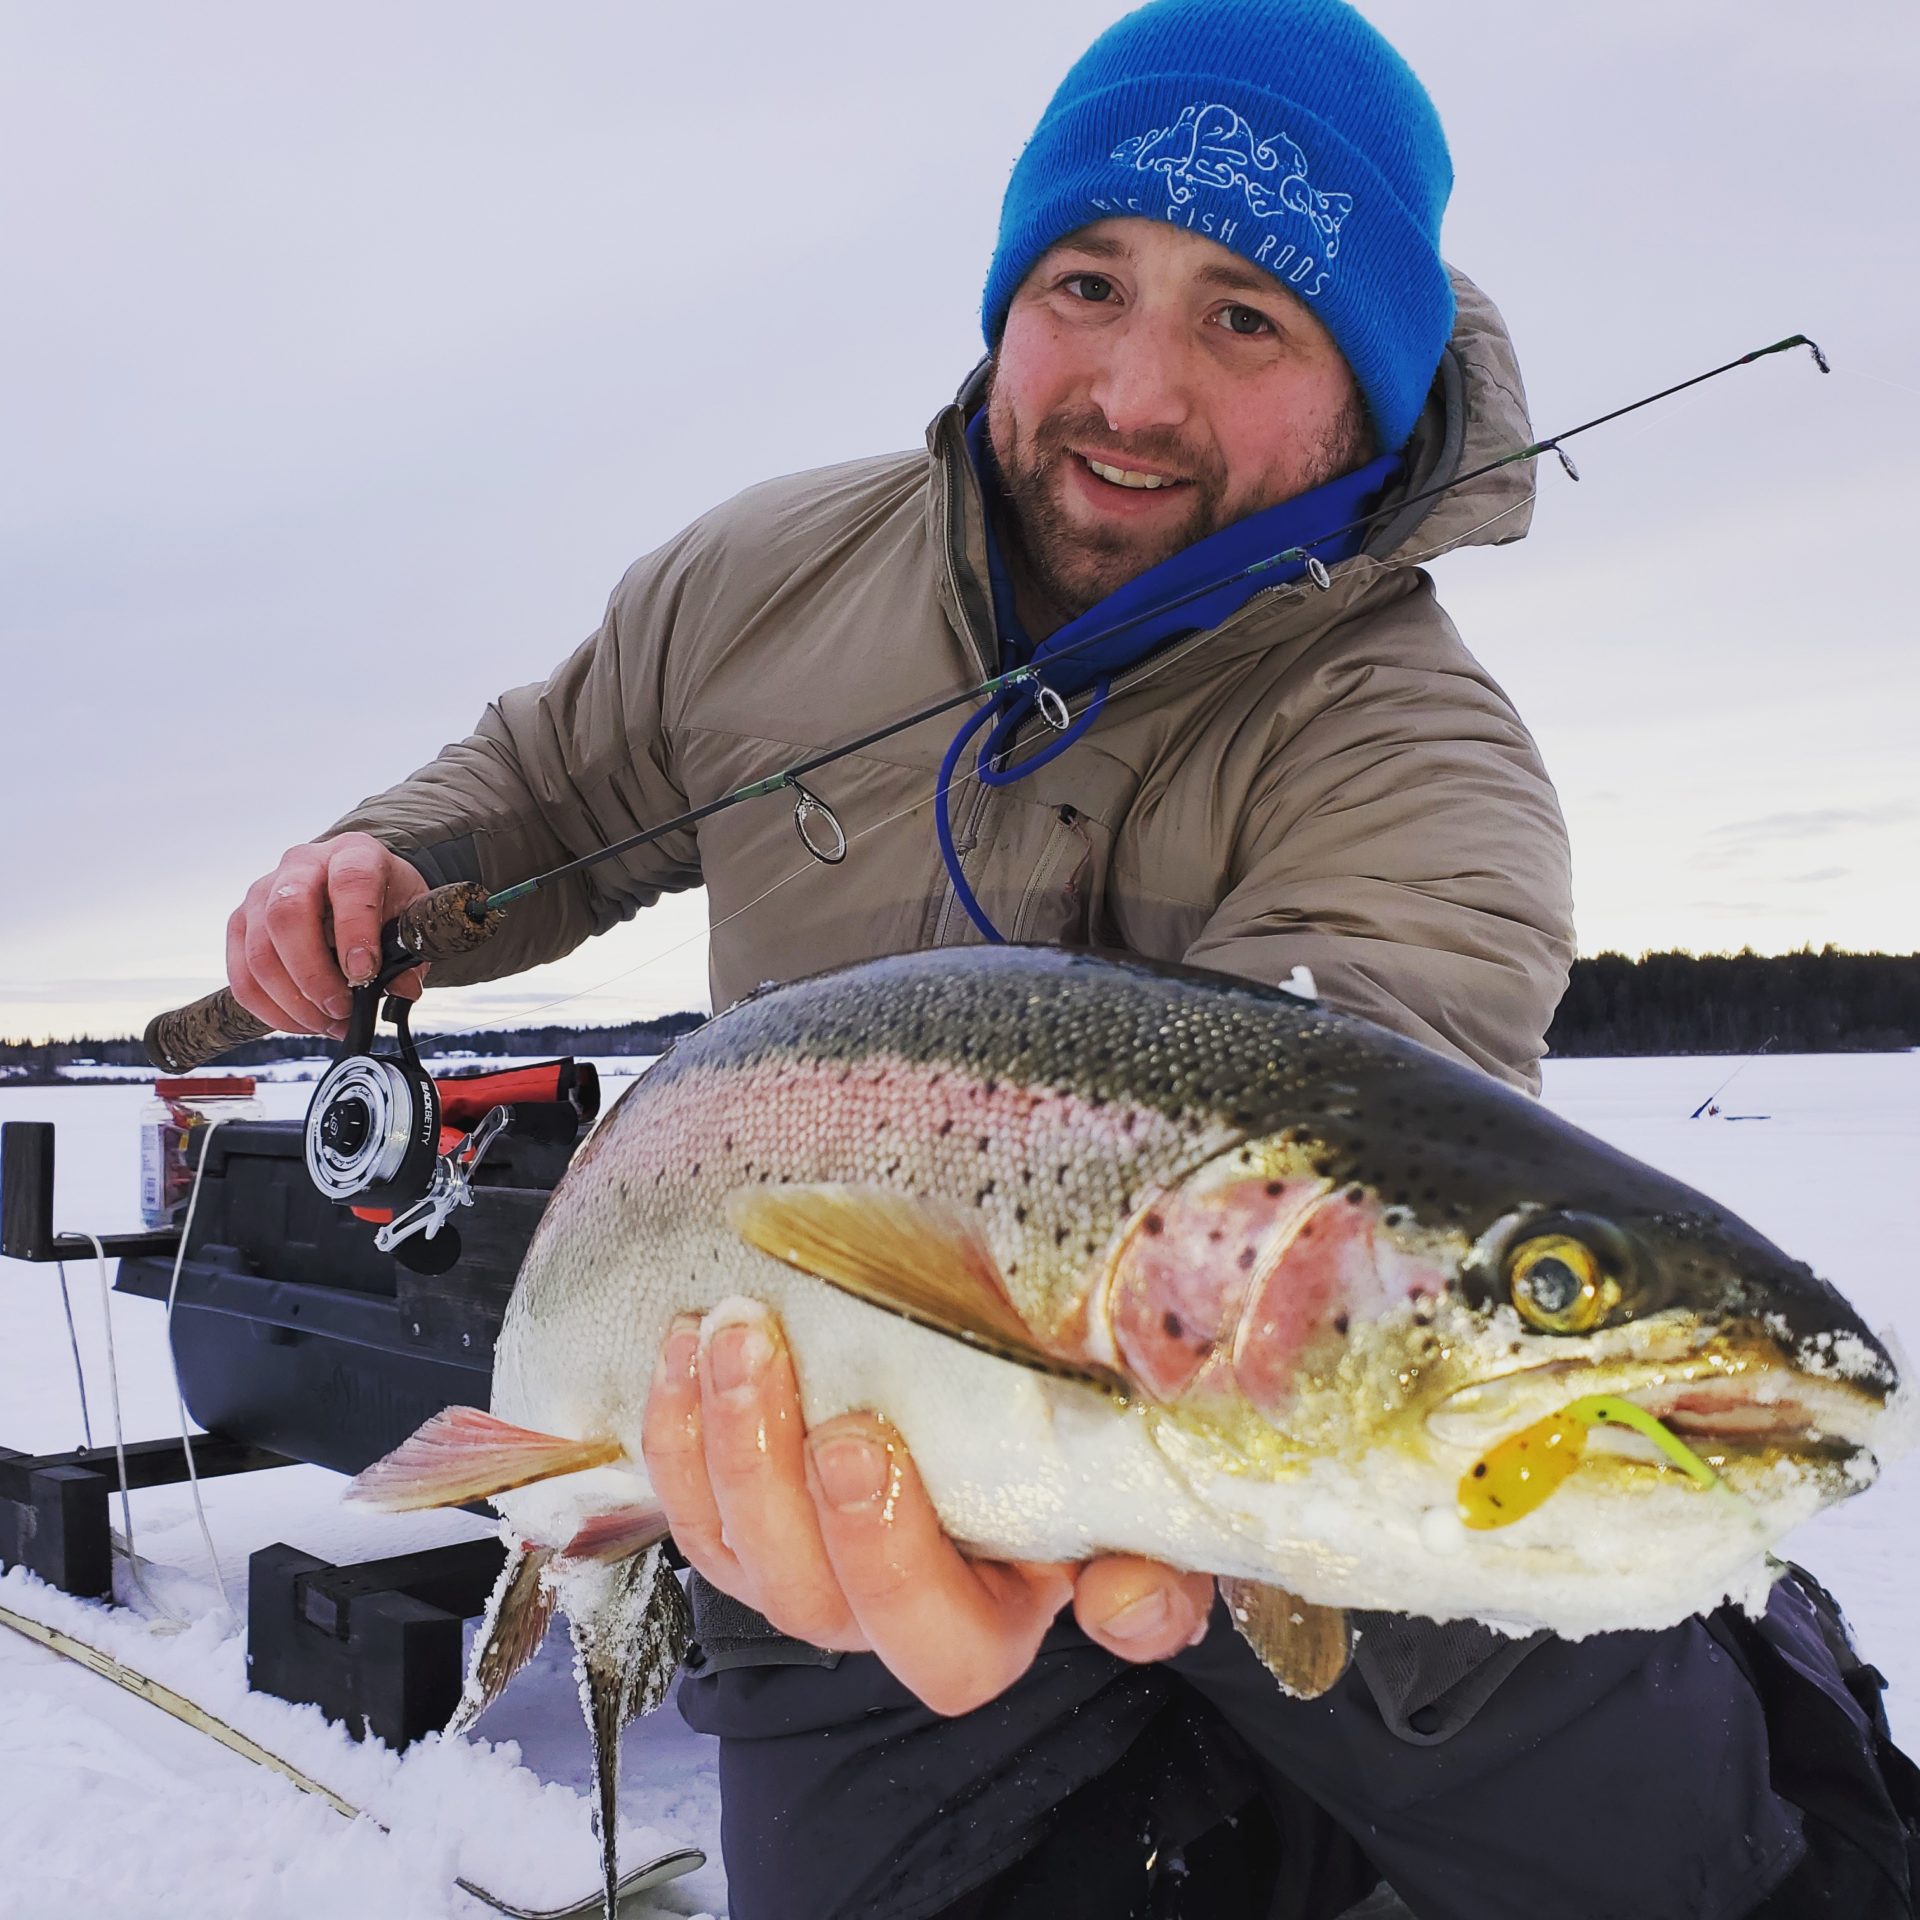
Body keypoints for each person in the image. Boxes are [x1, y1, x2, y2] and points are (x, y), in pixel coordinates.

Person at [225, 3, 1917, 1914]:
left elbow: (1350, 1111)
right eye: (1089, 283)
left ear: (1369, 387)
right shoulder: (759, 577)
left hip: (1329, 1480)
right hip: (835, 1497)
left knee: (1718, 1867)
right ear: (1009, 294)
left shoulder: (1422, 752)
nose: (1134, 388)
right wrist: (401, 862)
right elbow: (553, 772)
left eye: (1244, 319)